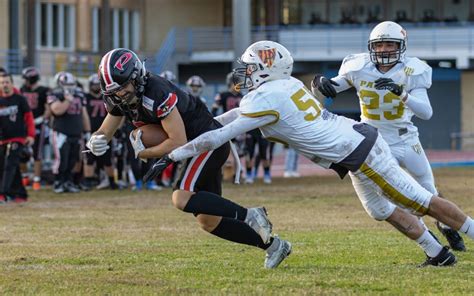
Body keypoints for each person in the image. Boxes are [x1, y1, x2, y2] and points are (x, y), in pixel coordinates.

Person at [146, 40, 474, 267]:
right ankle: (438, 254)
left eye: (249, 67)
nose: (243, 73)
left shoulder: (266, 98)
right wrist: (188, 134)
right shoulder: (281, 87)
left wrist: (173, 155)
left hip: (358, 152)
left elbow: (220, 135)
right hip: (355, 144)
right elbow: (222, 122)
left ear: (264, 68)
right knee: (380, 210)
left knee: (421, 201)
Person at [86, 48, 291, 269]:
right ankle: (274, 246)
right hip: (196, 146)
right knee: (209, 221)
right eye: (114, 91)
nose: (119, 95)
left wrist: (144, 153)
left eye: (123, 87)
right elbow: (104, 132)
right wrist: (95, 142)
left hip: (205, 142)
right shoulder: (119, 97)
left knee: (180, 197)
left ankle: (251, 214)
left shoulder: (156, 92)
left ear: (136, 77)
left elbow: (177, 142)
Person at [311, 21, 466, 252]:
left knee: (428, 190)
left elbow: (426, 112)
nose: (383, 49)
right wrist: (318, 83)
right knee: (398, 193)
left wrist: (401, 93)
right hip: (375, 142)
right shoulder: (359, 66)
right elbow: (331, 87)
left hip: (406, 138)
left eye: (390, 44)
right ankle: (428, 237)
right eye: (379, 44)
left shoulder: (413, 70)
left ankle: (447, 225)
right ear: (371, 46)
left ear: (401, 46)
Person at [48, 71, 91, 193]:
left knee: (73, 159)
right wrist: (67, 100)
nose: (70, 87)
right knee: (61, 159)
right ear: (60, 84)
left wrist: (87, 131)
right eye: (67, 84)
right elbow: (57, 110)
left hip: (77, 133)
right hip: (61, 133)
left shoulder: (80, 95)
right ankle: (58, 182)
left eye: (72, 84)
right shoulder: (54, 94)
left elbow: (84, 114)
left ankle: (68, 181)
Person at [0, 73, 35, 203]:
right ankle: (20, 194)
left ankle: (3, 194)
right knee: (6, 165)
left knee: (10, 164)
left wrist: (31, 135)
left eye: (7, 82)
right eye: (2, 82)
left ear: (11, 83)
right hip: (3, 139)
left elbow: (29, 118)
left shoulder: (19, 99)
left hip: (18, 138)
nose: (4, 85)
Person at [83, 74, 117, 190]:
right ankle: (88, 181)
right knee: (89, 158)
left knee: (108, 159)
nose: (96, 87)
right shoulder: (85, 97)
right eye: (94, 85)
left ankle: (112, 181)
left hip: (106, 132)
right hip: (91, 131)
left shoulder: (107, 97)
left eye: (98, 84)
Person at [20, 66, 51, 190]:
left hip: (38, 124)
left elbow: (49, 108)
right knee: (22, 152)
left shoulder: (43, 90)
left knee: (37, 153)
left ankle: (37, 180)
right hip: (24, 124)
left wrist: (41, 119)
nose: (25, 81)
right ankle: (25, 177)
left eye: (26, 79)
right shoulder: (22, 89)